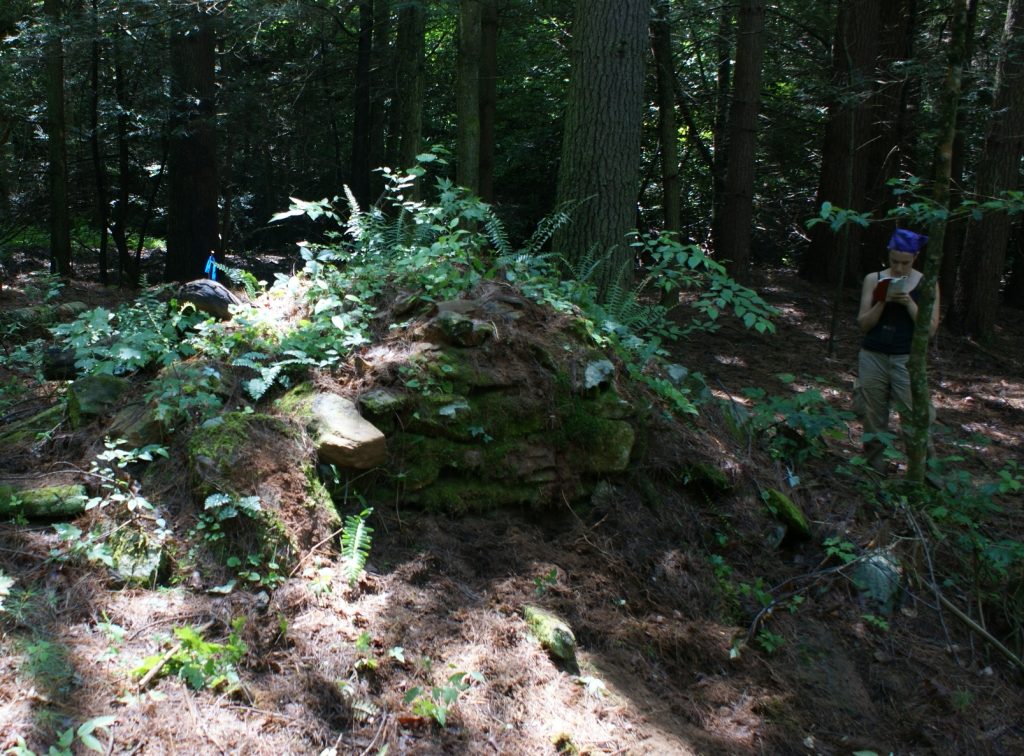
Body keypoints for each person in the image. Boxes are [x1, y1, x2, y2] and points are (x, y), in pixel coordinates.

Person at [854, 229, 940, 473]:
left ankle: (925, 475)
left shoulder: (927, 283)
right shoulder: (874, 279)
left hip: (907, 359)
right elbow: (863, 324)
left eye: (905, 262)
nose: (899, 268)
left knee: (914, 417)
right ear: (888, 256)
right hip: (873, 355)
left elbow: (931, 328)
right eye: (894, 261)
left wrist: (909, 302)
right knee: (872, 416)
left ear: (915, 257)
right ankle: (874, 471)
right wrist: (883, 299)